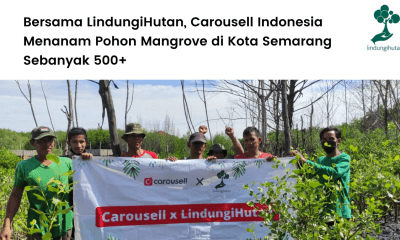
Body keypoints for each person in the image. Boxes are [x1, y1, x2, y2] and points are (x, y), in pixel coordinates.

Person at [0, 126, 73, 240]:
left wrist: (87, 157)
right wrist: (7, 225)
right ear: (32, 142)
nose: (47, 144)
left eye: (50, 140)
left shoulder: (66, 163)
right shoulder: (24, 166)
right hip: (37, 228)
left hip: (64, 227)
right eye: (41, 141)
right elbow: (15, 195)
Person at [290, 126, 351, 225]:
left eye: (331, 139)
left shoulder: (344, 158)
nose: (327, 142)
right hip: (323, 212)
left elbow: (334, 173)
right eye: (324, 139)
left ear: (338, 141)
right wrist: (297, 161)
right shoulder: (321, 160)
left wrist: (306, 161)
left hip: (340, 212)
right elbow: (309, 176)